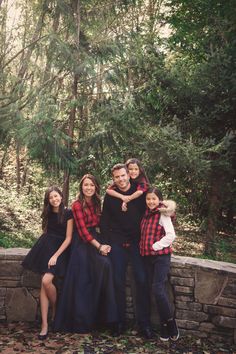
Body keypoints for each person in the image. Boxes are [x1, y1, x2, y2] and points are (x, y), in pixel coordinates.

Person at [54, 174, 117, 333]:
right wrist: (100, 246)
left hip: (96, 238)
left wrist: (106, 243)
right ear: (81, 187)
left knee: (106, 266)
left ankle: (103, 319)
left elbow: (102, 223)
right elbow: (82, 232)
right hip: (82, 243)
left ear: (96, 187)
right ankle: (81, 321)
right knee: (84, 278)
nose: (88, 188)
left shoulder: (97, 203)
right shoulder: (77, 205)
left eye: (91, 185)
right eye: (85, 185)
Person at [100, 163, 152, 338]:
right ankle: (118, 322)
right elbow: (104, 222)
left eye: (123, 175)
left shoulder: (141, 192)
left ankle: (144, 324)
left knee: (142, 279)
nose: (121, 179)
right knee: (117, 280)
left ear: (128, 175)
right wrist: (106, 243)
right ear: (113, 179)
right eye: (117, 177)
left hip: (138, 242)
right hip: (117, 242)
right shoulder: (110, 197)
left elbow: (154, 209)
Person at [22, 186, 73, 340]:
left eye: (56, 196)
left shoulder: (68, 213)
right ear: (48, 200)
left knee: (46, 280)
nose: (54, 199)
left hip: (61, 250)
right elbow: (46, 232)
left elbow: (69, 238)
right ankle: (44, 325)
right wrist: (45, 251)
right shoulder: (48, 212)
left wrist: (56, 255)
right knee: (43, 284)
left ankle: (55, 309)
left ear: (61, 196)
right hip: (46, 247)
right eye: (51, 198)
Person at [139, 187, 179, 341]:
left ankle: (170, 324)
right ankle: (163, 324)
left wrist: (156, 245)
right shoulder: (146, 214)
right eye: (148, 199)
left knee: (158, 289)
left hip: (161, 257)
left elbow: (171, 235)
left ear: (159, 200)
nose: (150, 201)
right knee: (155, 290)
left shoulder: (163, 214)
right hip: (148, 258)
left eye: (154, 199)